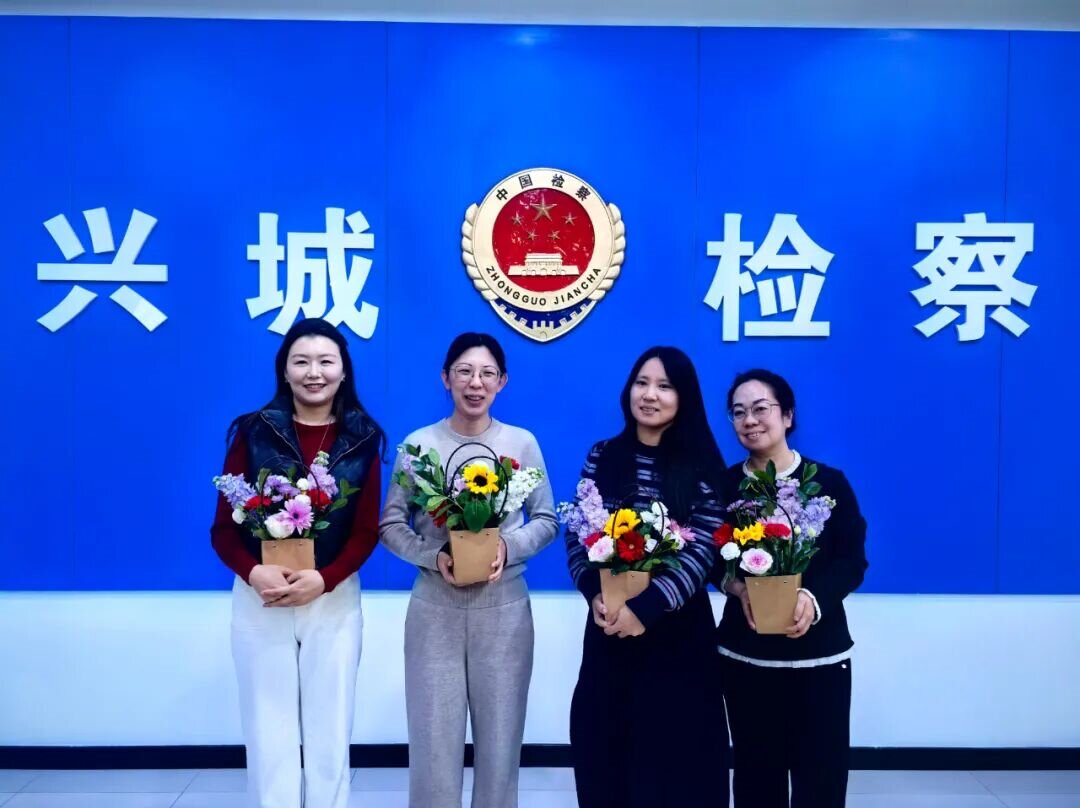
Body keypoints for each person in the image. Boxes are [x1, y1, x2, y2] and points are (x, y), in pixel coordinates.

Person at [379, 331, 559, 808]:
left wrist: (507, 546)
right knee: (433, 747)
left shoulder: (521, 443)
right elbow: (391, 525)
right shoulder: (419, 445)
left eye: (486, 373)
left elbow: (546, 520)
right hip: (434, 609)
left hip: (504, 611)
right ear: (446, 378)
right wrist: (433, 556)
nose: (475, 383)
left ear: (502, 381)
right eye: (464, 372)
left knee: (500, 748)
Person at [210, 317, 385, 808]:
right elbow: (223, 530)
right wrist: (254, 573)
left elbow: (366, 531)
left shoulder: (362, 437)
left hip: (332, 598)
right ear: (284, 371)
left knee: (331, 732)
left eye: (326, 361)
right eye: (301, 361)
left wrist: (324, 580)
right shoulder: (253, 432)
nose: (314, 372)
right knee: (269, 733)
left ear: (343, 371)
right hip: (261, 597)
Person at [565, 346, 730, 808]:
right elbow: (578, 530)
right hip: (610, 627)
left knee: (676, 764)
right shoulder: (604, 455)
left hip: (677, 636)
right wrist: (594, 593)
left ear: (684, 397)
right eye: (642, 383)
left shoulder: (700, 463)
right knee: (606, 753)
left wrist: (648, 607)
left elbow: (703, 547)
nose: (650, 395)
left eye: (664, 386)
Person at [714, 368, 868, 808]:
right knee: (755, 778)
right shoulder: (724, 486)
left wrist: (812, 599)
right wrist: (737, 588)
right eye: (738, 412)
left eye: (760, 409)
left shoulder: (828, 484)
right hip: (746, 657)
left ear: (787, 415)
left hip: (820, 659)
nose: (749, 420)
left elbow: (852, 561)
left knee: (821, 779)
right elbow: (710, 560)